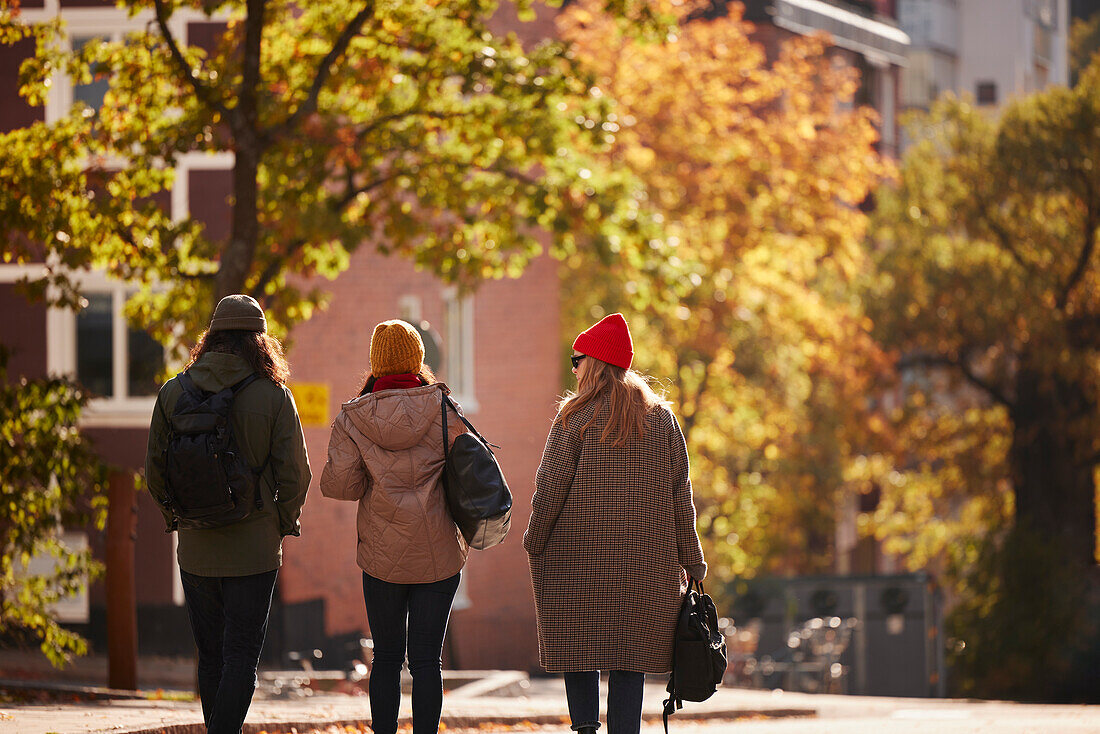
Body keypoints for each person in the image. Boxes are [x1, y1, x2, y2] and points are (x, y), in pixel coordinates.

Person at [524, 312, 707, 734]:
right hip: (644, 567)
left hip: (577, 563)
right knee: (631, 657)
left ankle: (586, 728)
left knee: (579, 647)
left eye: (577, 360)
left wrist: (535, 541)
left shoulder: (573, 418)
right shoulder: (661, 420)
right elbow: (681, 495)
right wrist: (692, 560)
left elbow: (549, 488)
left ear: (593, 363)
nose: (574, 369)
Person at [145, 294, 311, 734]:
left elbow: (154, 472)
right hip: (254, 550)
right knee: (241, 656)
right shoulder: (273, 396)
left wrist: (176, 519)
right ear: (260, 343)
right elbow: (296, 474)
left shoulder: (173, 392)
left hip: (196, 549)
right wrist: (281, 523)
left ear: (212, 337)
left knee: (211, 656)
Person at [320, 319, 468, 734]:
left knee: (385, 656)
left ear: (375, 362)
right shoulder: (444, 409)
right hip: (438, 553)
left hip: (382, 556)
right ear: (418, 358)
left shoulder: (354, 417)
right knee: (426, 661)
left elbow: (342, 486)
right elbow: (469, 471)